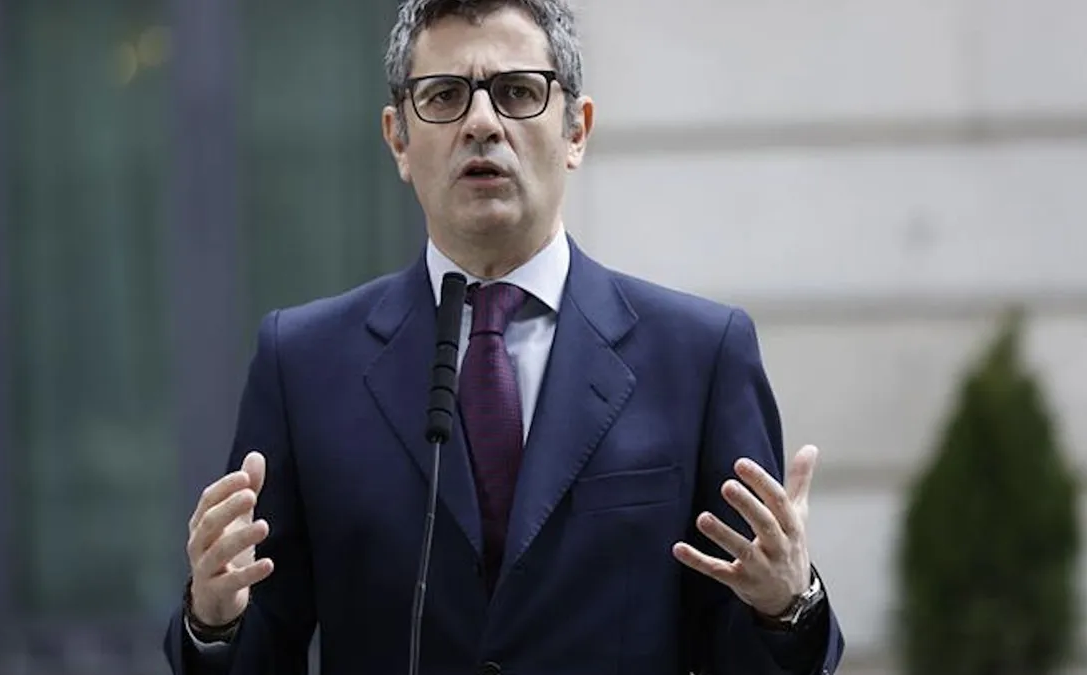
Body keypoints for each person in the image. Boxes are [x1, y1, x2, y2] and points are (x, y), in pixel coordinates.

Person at [163, 1, 845, 673]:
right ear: (398, 139)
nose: (482, 123)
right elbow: (259, 638)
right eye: (444, 96)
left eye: (518, 92)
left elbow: (751, 652)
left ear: (576, 131)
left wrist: (786, 607)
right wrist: (212, 621)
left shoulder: (699, 356)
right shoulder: (304, 363)